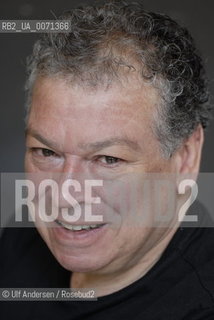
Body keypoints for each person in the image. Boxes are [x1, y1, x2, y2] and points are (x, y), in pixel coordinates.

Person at [0, 1, 214, 319]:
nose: (63, 196)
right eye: (47, 153)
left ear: (185, 158)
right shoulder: (23, 240)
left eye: (108, 159)